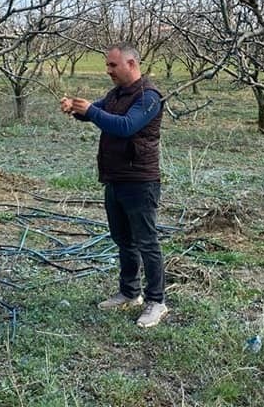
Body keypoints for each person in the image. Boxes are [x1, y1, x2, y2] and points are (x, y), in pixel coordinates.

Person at [60, 43, 168, 328]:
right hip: (115, 178)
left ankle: (156, 301)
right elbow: (97, 110)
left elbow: (125, 126)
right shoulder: (117, 94)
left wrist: (92, 112)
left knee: (147, 242)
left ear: (131, 64)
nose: (108, 71)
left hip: (140, 181)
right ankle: (130, 293)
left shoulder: (149, 97)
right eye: (107, 65)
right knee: (124, 240)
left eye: (112, 65)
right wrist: (76, 109)